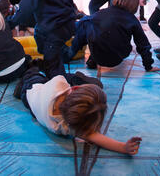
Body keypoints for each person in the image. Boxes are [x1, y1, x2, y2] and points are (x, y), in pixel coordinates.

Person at [14, 66, 142, 155]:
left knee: (33, 74)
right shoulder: (65, 127)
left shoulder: (60, 83)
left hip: (31, 91)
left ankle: (28, 72)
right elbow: (96, 137)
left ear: (74, 88)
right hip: (32, 107)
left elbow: (56, 81)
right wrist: (123, 147)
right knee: (38, 79)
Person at [7, 0, 79, 78]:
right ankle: (63, 55)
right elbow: (71, 8)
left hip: (51, 32)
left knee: (54, 70)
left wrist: (8, 23)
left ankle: (63, 83)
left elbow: (22, 13)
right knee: (52, 51)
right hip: (65, 29)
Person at [65, 0, 155, 71]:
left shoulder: (100, 13)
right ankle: (90, 58)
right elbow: (143, 45)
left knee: (87, 25)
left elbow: (78, 26)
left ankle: (69, 55)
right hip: (117, 58)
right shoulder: (132, 20)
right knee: (98, 31)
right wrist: (148, 66)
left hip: (97, 56)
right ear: (134, 4)